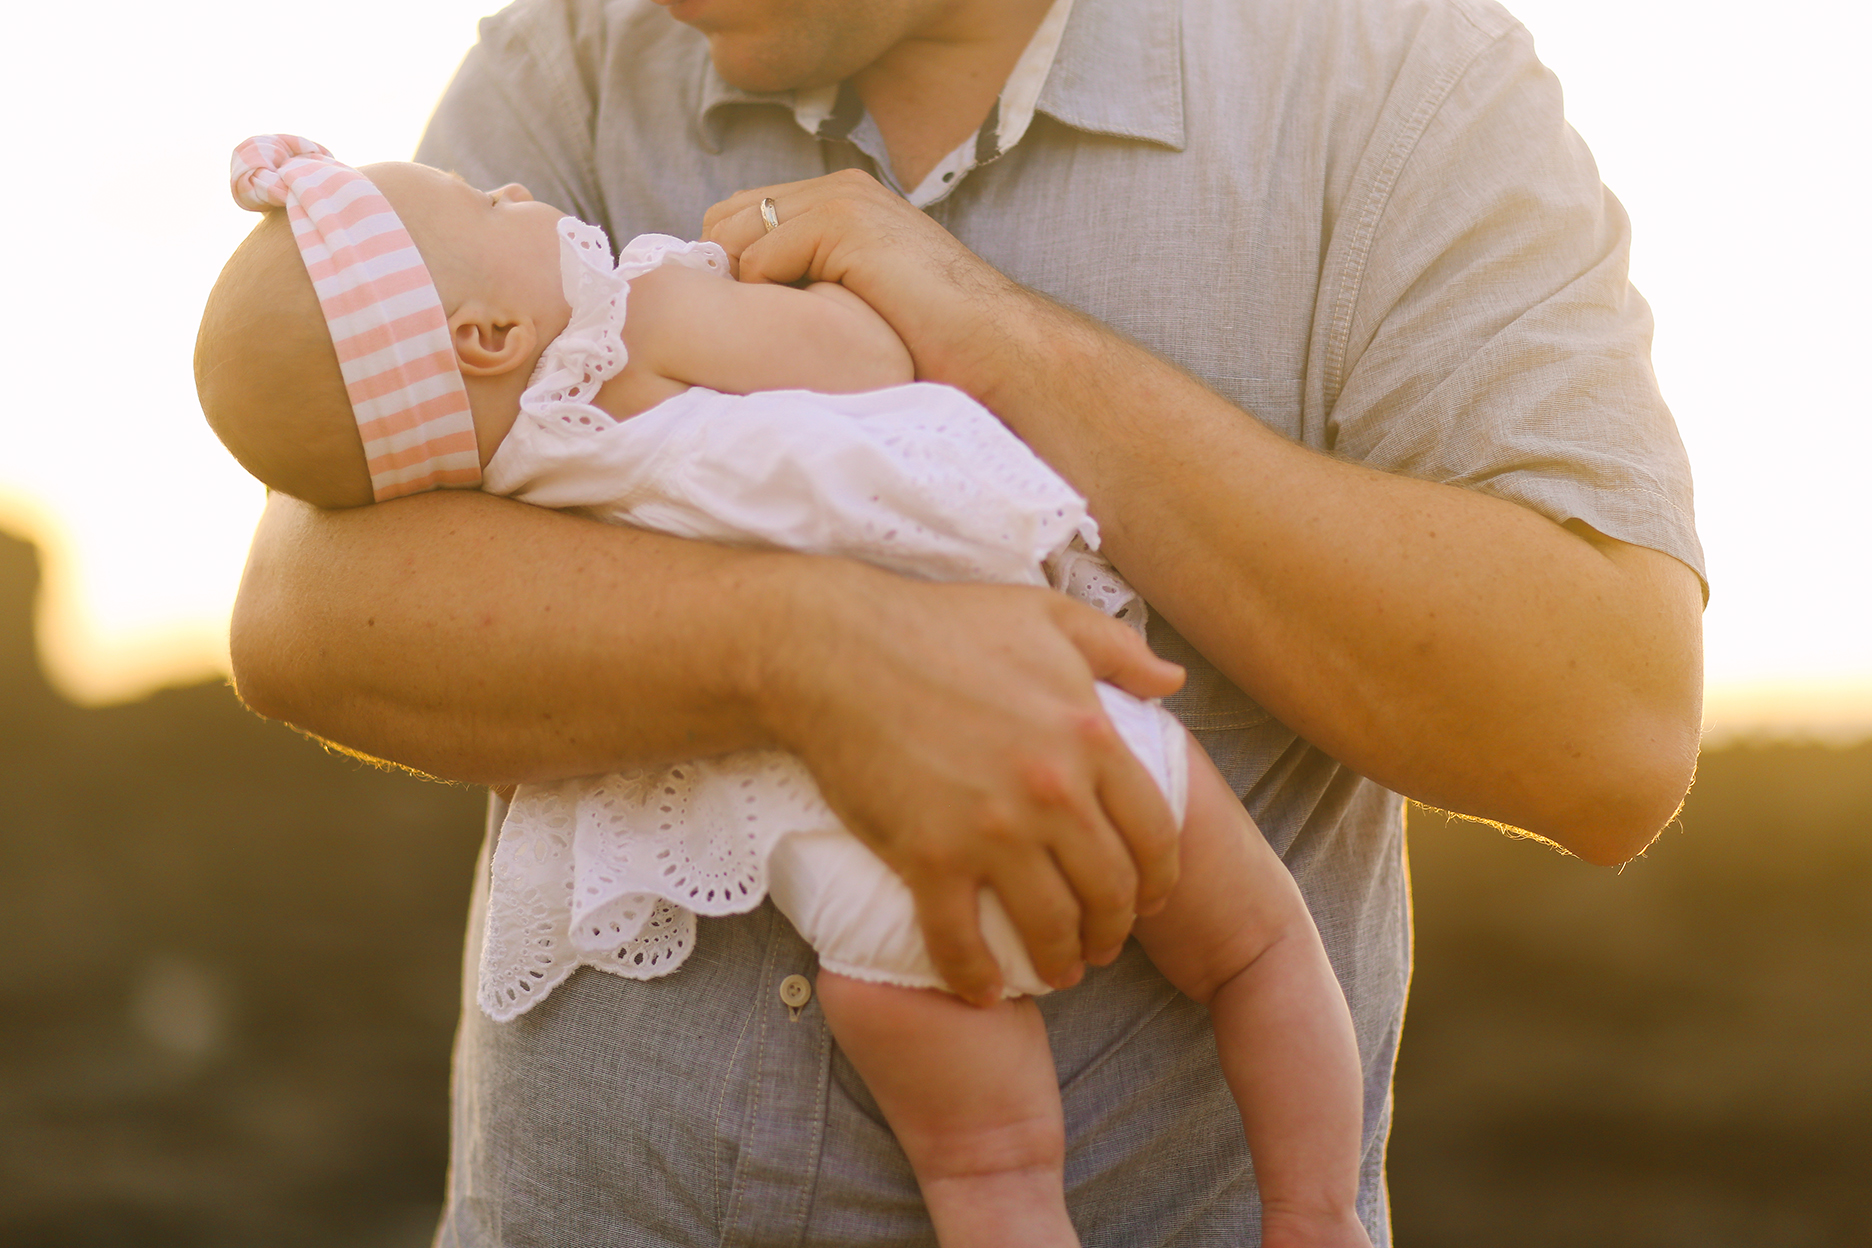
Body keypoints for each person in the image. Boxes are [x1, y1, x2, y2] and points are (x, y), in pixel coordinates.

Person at [226, 0, 1707, 1242]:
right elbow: (305, 609)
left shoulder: (1393, 79)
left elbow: (1607, 727)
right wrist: (814, 655)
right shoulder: (572, 56)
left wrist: (986, 332)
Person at [197, 134, 1372, 1248]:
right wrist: (831, 284)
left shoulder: (498, 493)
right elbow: (867, 363)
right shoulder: (635, 319)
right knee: (1257, 950)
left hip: (837, 874)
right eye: (478, 203)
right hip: (1041, 726)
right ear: (490, 332)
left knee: (990, 1173)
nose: (511, 194)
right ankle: (1317, 1220)